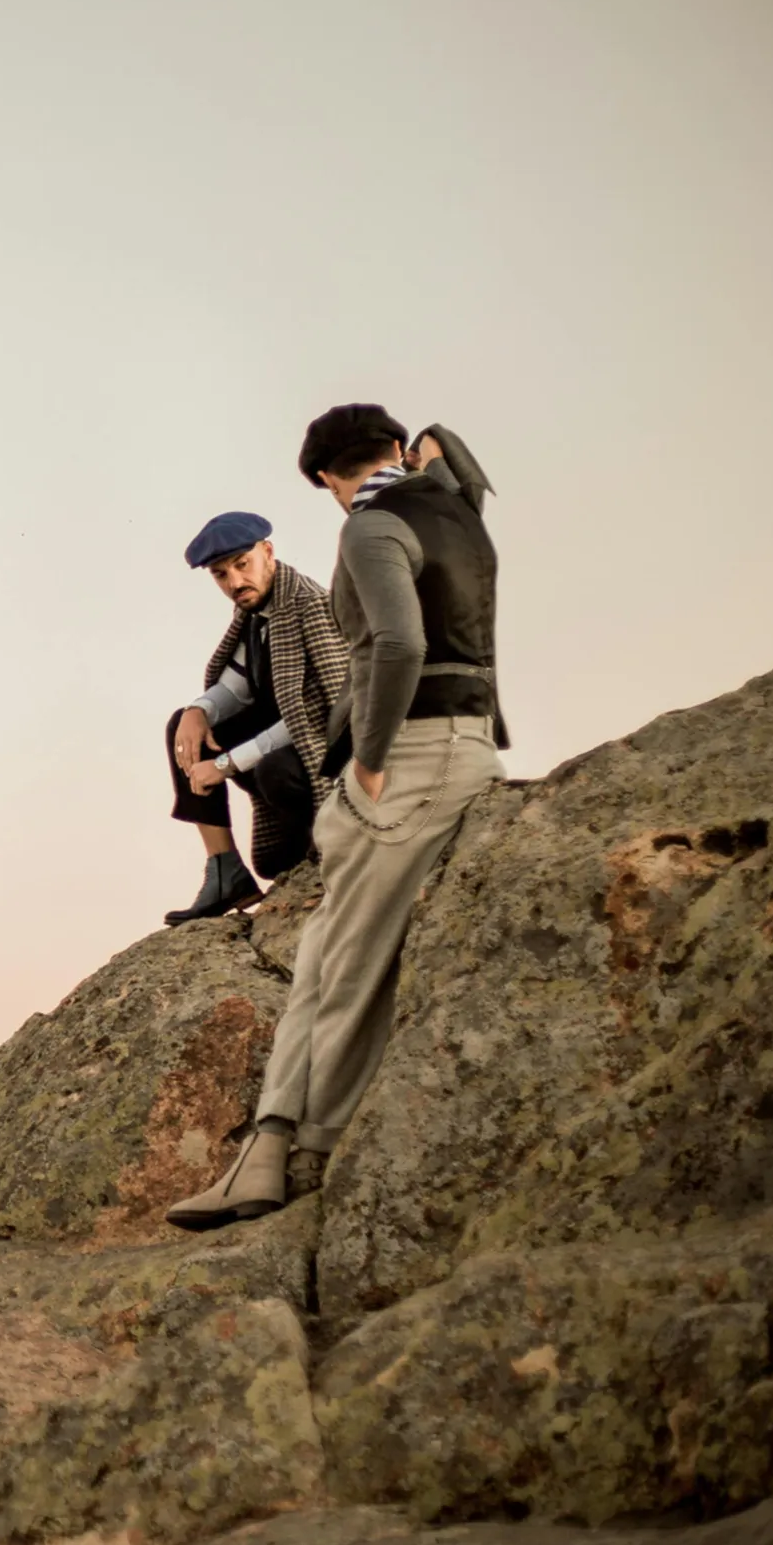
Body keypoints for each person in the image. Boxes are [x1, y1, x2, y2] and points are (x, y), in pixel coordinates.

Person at [168, 408, 507, 1231]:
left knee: (339, 963)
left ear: (324, 479)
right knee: (324, 948)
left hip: (413, 749)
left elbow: (397, 645)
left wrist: (372, 758)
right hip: (469, 738)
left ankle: (295, 1153)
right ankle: (271, 1148)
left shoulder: (368, 529)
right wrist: (434, 448)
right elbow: (466, 474)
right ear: (397, 449)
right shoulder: (459, 514)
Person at [163, 511, 349, 924]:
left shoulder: (311, 606)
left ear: (268, 552)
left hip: (321, 763)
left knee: (273, 769)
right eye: (221, 574)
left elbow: (326, 713)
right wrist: (198, 711)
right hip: (277, 759)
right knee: (183, 726)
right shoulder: (254, 610)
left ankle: (316, 851)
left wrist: (226, 764)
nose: (234, 582)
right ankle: (225, 871)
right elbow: (238, 686)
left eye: (242, 564)